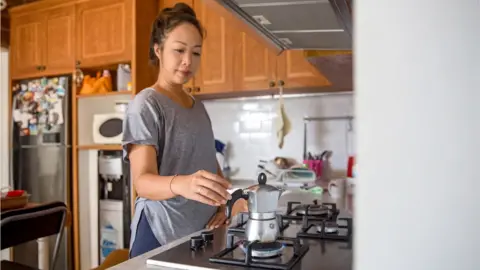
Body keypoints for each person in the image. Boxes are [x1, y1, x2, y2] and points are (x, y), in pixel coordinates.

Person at [122, 3, 241, 258]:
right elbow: (142, 182)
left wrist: (223, 204)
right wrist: (182, 184)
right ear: (158, 50)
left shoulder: (199, 108)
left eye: (196, 53)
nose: (188, 61)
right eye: (179, 50)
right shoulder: (146, 104)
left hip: (200, 234)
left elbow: (210, 165)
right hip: (160, 233)